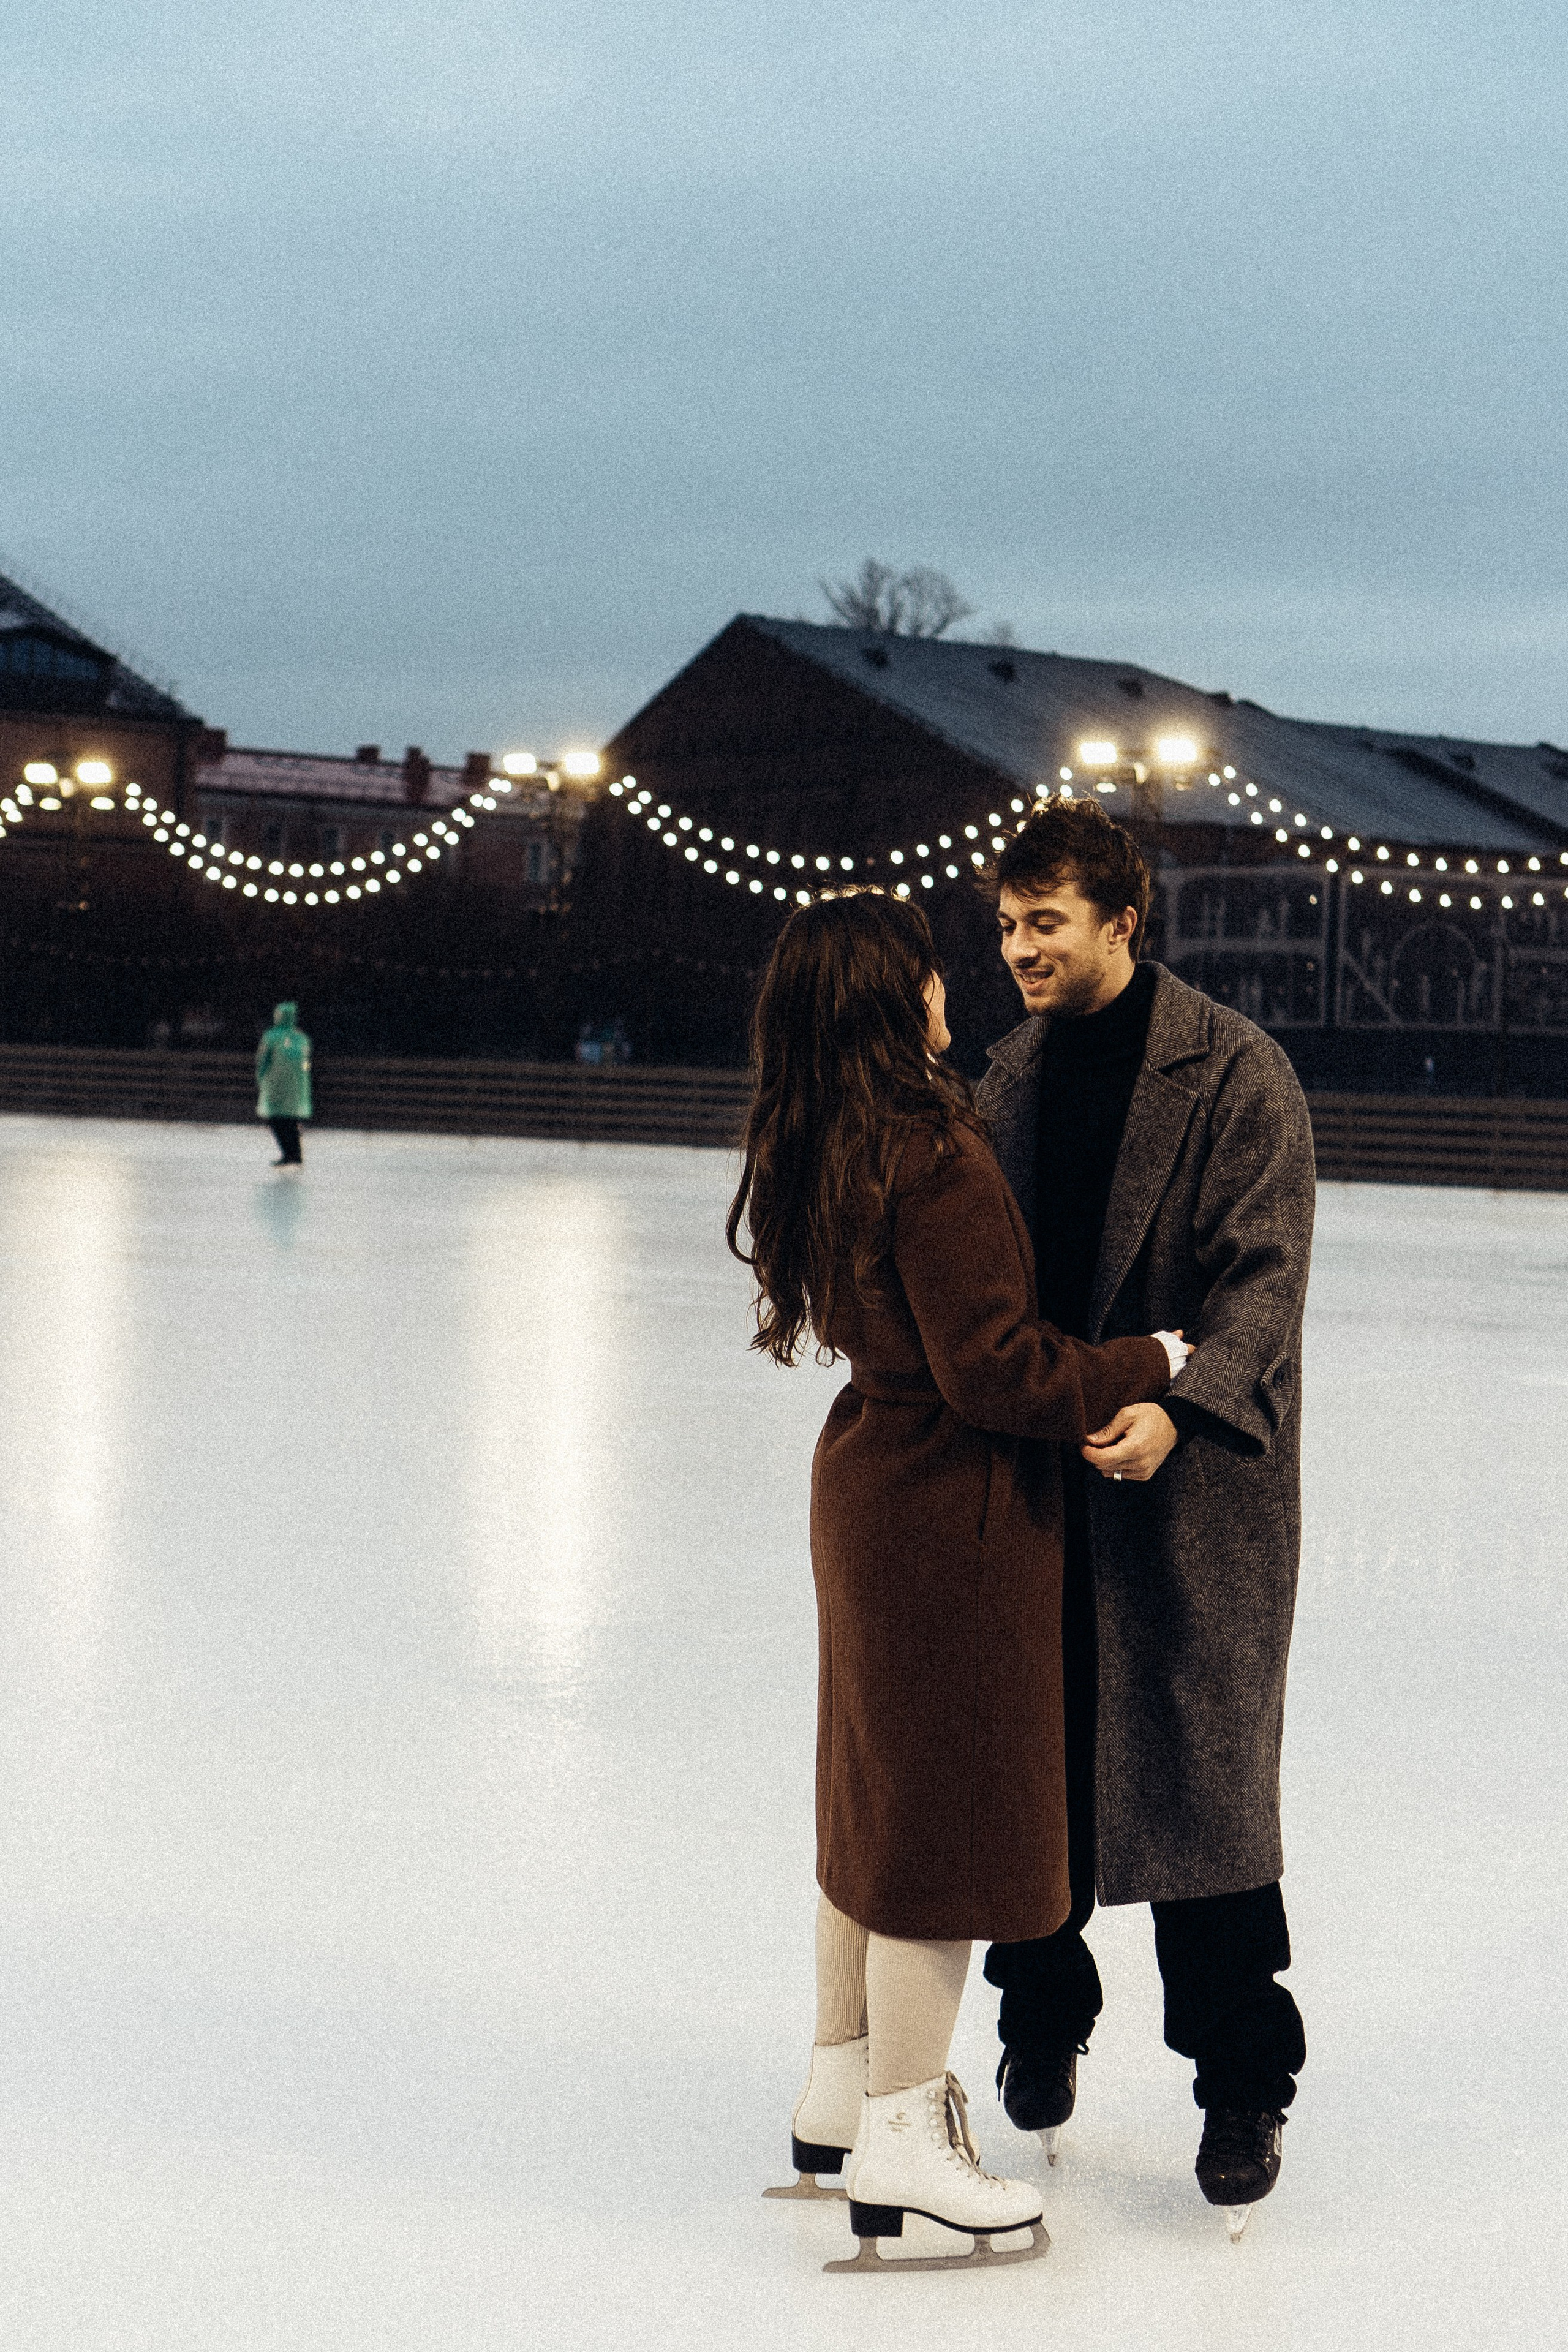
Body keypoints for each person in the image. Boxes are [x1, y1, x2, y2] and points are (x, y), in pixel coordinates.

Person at [727, 892, 1191, 2272]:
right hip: (950, 1515)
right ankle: (902, 2136)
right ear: (888, 1000)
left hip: (874, 1487)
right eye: (927, 972)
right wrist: (1149, 1360)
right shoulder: (928, 1154)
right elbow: (996, 1367)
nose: (951, 988)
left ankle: (836, 2078)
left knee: (871, 1804)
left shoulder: (827, 1139)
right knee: (935, 1833)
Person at [974, 795, 1314, 2236]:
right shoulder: (1002, 1074)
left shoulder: (1235, 1071)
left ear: (1123, 921)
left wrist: (1180, 1406)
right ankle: (1039, 2010)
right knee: (1026, 1766)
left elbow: (1259, 1283)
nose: (1018, 951)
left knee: (1198, 1791)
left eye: (1042, 923)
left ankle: (1242, 2083)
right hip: (1043, 1478)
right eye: (1003, 926)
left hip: (1186, 1495)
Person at [255, 1001, 312, 1166]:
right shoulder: (301, 1038)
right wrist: (304, 1077)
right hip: (297, 1086)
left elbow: (263, 1059)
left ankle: (288, 1154)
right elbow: (307, 1063)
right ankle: (295, 1154)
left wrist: (261, 1077)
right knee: (292, 1122)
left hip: (275, 1084)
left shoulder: (271, 1037)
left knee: (278, 1120)